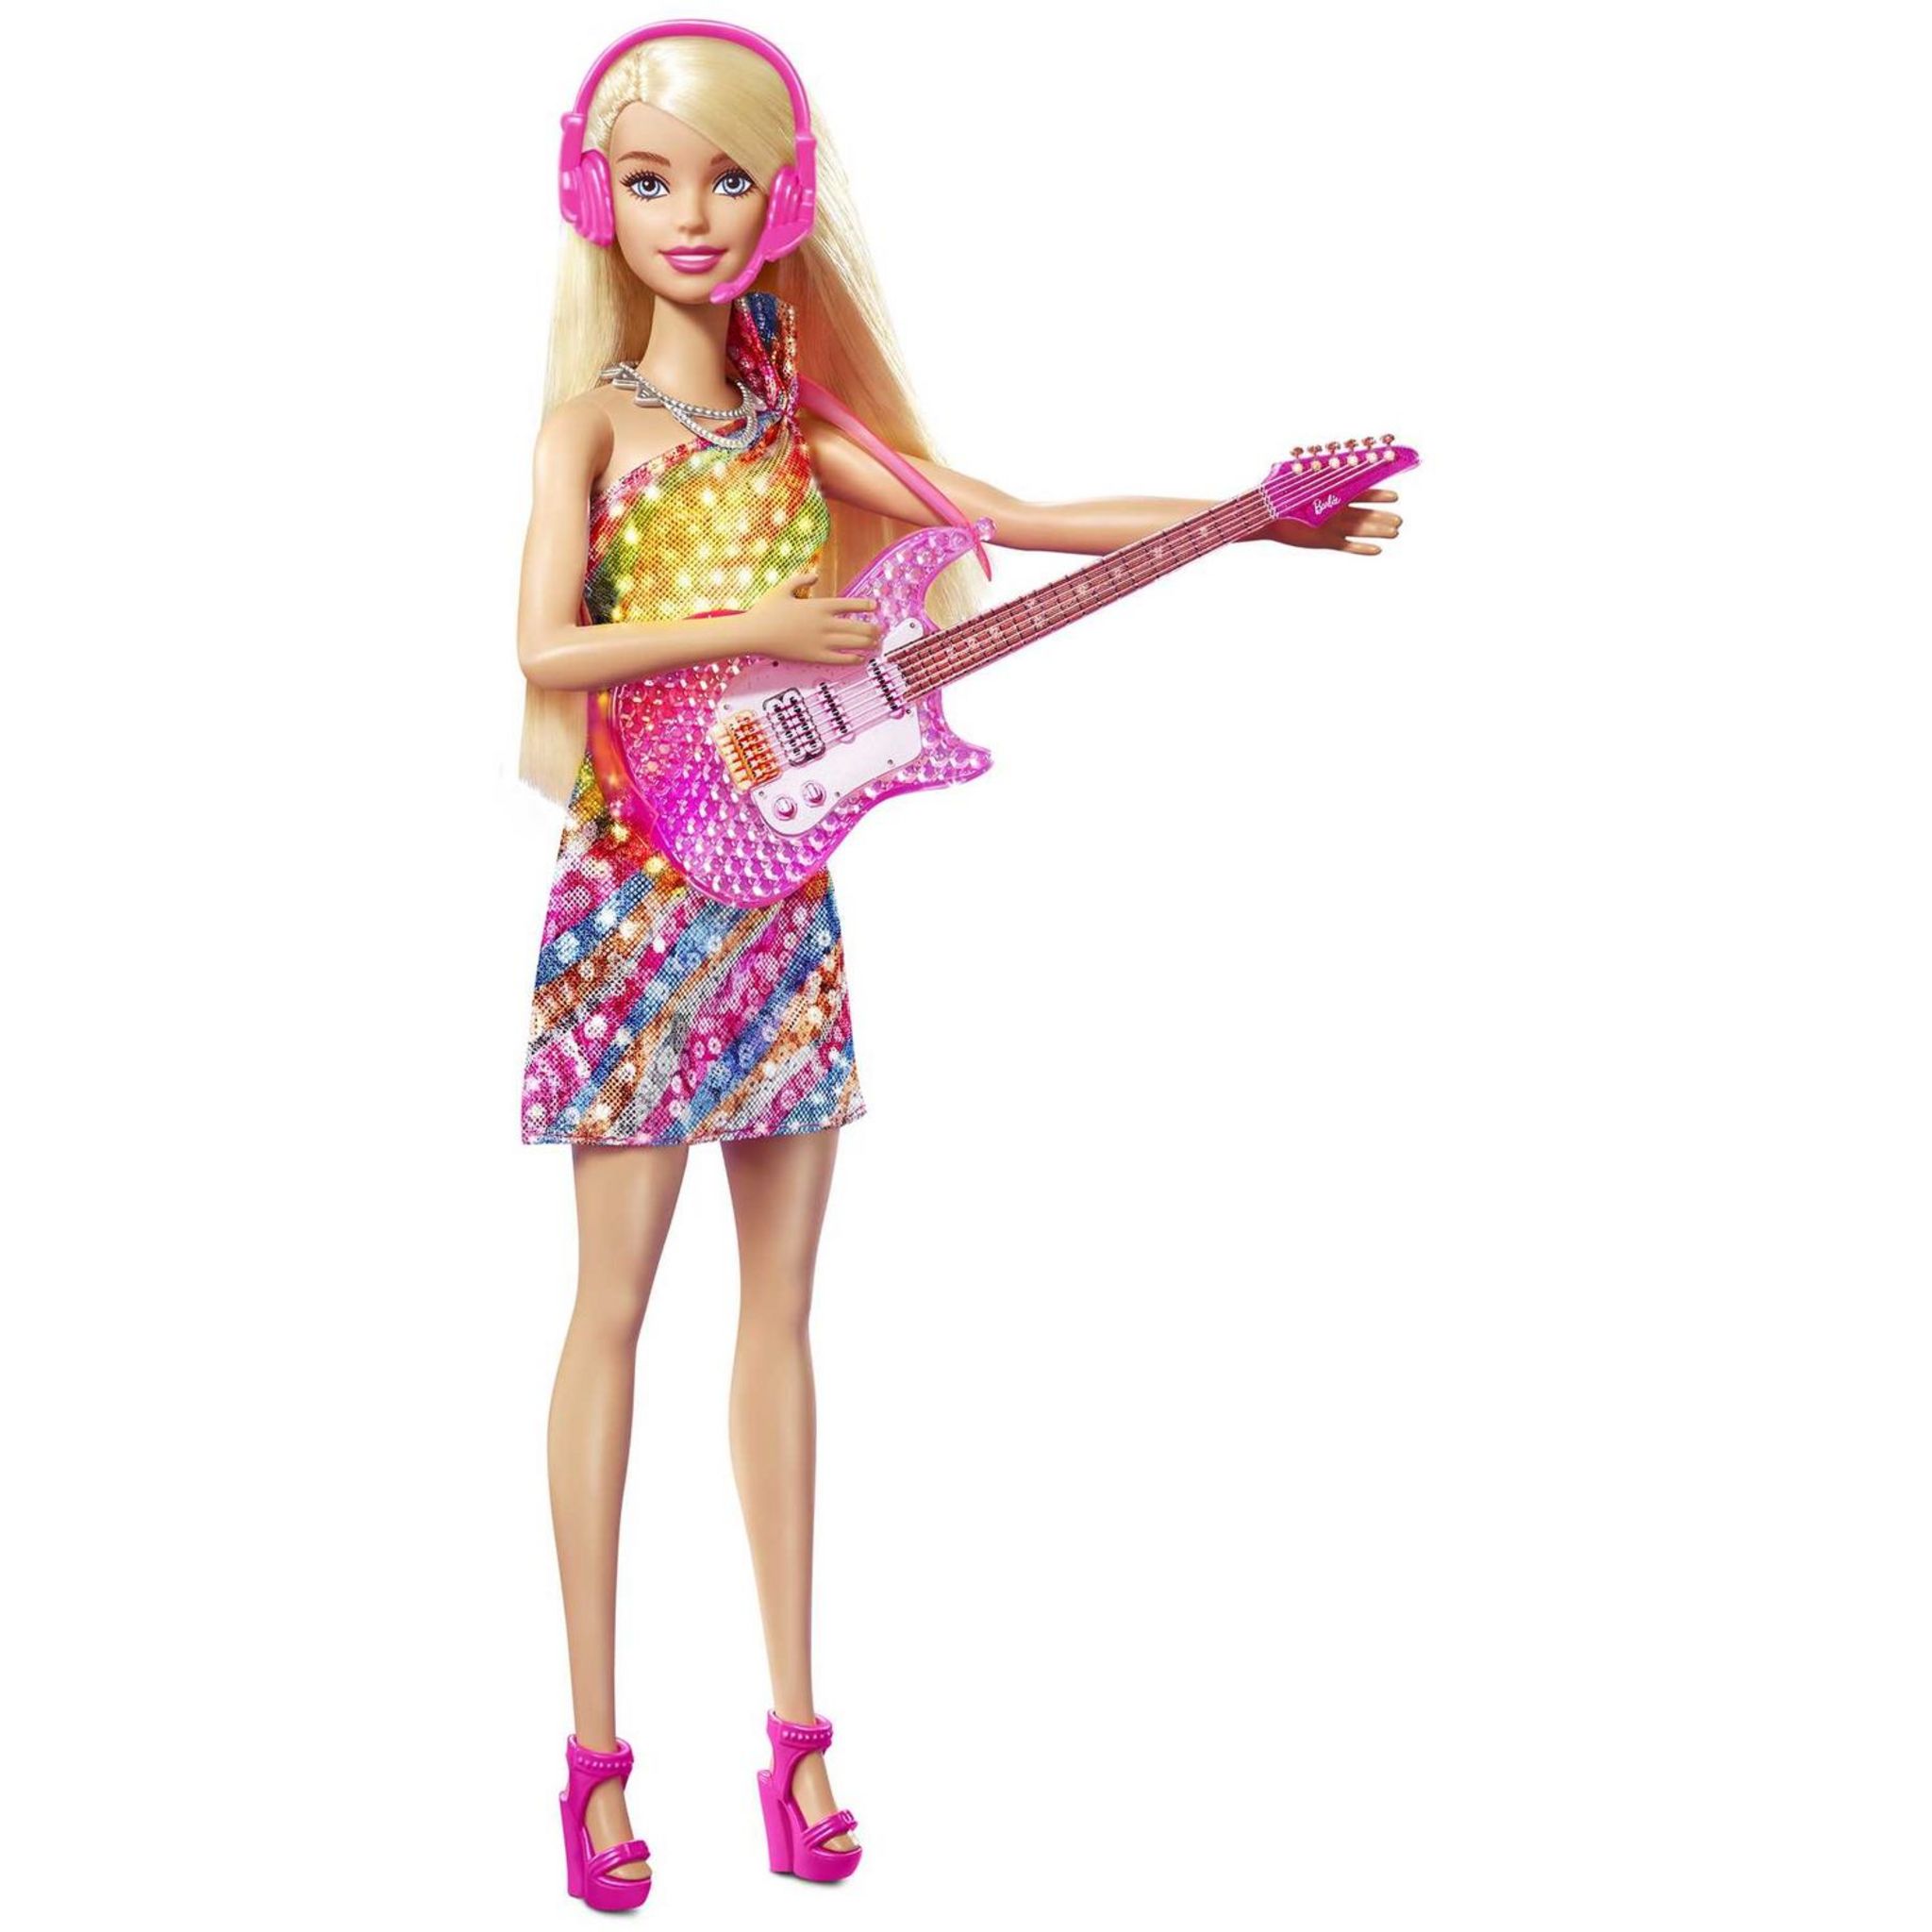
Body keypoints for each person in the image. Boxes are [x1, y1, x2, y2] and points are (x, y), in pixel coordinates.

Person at [516, 21, 1402, 1912]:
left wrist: (1247, 517)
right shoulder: (590, 423)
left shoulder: (797, 423)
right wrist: (757, 625)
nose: (689, 214)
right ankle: (592, 1752)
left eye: (729, 177)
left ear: (782, 201)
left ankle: (796, 1726)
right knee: (611, 1313)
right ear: (599, 195)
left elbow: (1008, 515)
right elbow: (539, 650)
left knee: (780, 1315)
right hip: (634, 894)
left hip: (780, 907)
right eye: (653, 178)